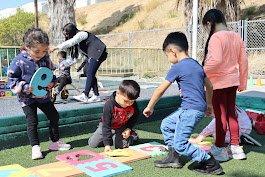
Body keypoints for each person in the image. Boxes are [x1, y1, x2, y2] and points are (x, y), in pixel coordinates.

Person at [143, 32, 223, 175]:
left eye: (167, 55)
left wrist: (150, 106)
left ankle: (210, 162)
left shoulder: (178, 67)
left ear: (172, 51)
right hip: (192, 108)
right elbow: (210, 86)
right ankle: (174, 158)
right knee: (166, 125)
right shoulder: (196, 64)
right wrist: (209, 105)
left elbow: (160, 90)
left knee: (180, 144)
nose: (168, 59)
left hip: (190, 110)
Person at [7, 28, 70, 160]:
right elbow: (12, 80)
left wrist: (51, 82)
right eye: (37, 51)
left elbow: (49, 74)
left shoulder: (45, 58)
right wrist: (24, 87)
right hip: (27, 99)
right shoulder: (19, 61)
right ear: (27, 47)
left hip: (43, 96)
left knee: (54, 116)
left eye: (44, 51)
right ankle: (35, 147)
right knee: (32, 121)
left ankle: (55, 142)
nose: (41, 54)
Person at [202, 9, 248, 161]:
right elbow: (243, 61)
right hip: (233, 82)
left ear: (209, 23)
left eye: (206, 26)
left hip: (219, 83)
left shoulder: (216, 38)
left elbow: (216, 60)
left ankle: (220, 148)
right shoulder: (236, 36)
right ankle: (236, 147)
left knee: (220, 117)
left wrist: (202, 70)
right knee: (231, 114)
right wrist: (243, 82)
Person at [50, 23, 108, 103]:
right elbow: (76, 58)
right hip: (93, 54)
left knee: (90, 72)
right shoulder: (79, 44)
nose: (66, 36)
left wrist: (56, 47)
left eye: (67, 34)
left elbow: (71, 42)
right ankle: (96, 95)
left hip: (98, 51)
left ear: (71, 31)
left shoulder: (82, 34)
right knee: (87, 71)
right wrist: (62, 65)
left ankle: (85, 95)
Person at [88, 80, 140, 152]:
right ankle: (112, 138)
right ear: (118, 93)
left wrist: (128, 128)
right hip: (107, 126)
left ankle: (133, 135)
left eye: (132, 101)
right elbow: (106, 126)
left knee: (121, 145)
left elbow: (135, 116)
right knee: (92, 144)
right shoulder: (109, 105)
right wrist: (107, 145)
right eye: (126, 101)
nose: (129, 104)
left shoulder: (132, 103)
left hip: (122, 126)